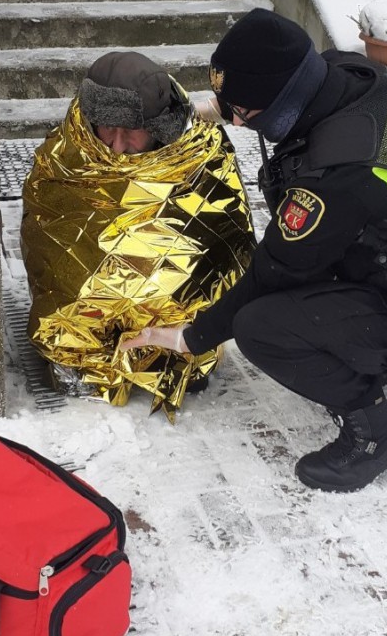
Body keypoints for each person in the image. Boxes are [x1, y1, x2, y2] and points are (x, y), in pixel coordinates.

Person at [121, 9, 387, 491]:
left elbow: (271, 271)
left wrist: (191, 337)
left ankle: (378, 434)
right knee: (350, 249)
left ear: (282, 107)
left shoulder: (336, 174)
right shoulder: (355, 79)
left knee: (261, 327)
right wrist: (212, 109)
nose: (234, 119)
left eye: (242, 114)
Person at [20, 51, 255, 420]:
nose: (116, 146)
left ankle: (177, 349)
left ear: (158, 125)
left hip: (176, 314)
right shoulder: (65, 156)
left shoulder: (198, 152)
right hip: (87, 316)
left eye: (130, 132)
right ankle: (85, 351)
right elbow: (47, 241)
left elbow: (225, 240)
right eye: (107, 131)